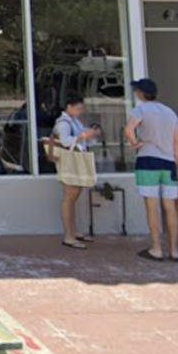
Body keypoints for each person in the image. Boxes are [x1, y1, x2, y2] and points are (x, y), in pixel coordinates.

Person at [124, 79, 178, 262]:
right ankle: (174, 250)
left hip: (148, 159)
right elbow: (176, 143)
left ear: (140, 93)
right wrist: (176, 165)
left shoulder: (140, 110)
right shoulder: (170, 113)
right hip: (169, 162)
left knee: (151, 207)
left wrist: (136, 144)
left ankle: (156, 248)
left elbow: (128, 130)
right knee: (170, 208)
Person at [54, 92, 101, 250]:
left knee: (73, 197)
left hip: (74, 162)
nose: (81, 111)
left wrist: (90, 133)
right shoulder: (63, 123)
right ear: (69, 107)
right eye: (78, 108)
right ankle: (69, 235)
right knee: (69, 197)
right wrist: (83, 135)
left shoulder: (74, 121)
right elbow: (65, 141)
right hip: (70, 162)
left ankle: (73, 231)